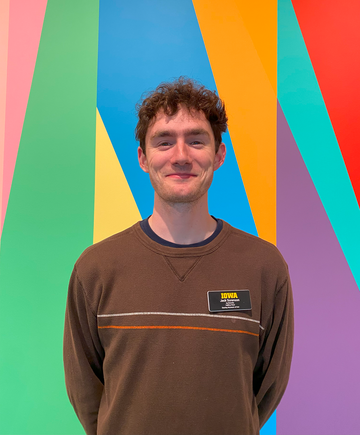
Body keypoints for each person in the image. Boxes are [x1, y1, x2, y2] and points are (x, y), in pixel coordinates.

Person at [64, 77, 294, 435]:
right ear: (143, 157)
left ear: (219, 154)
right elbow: (86, 390)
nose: (181, 155)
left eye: (197, 140)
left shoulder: (264, 266)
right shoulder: (96, 268)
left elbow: (266, 391)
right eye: (164, 141)